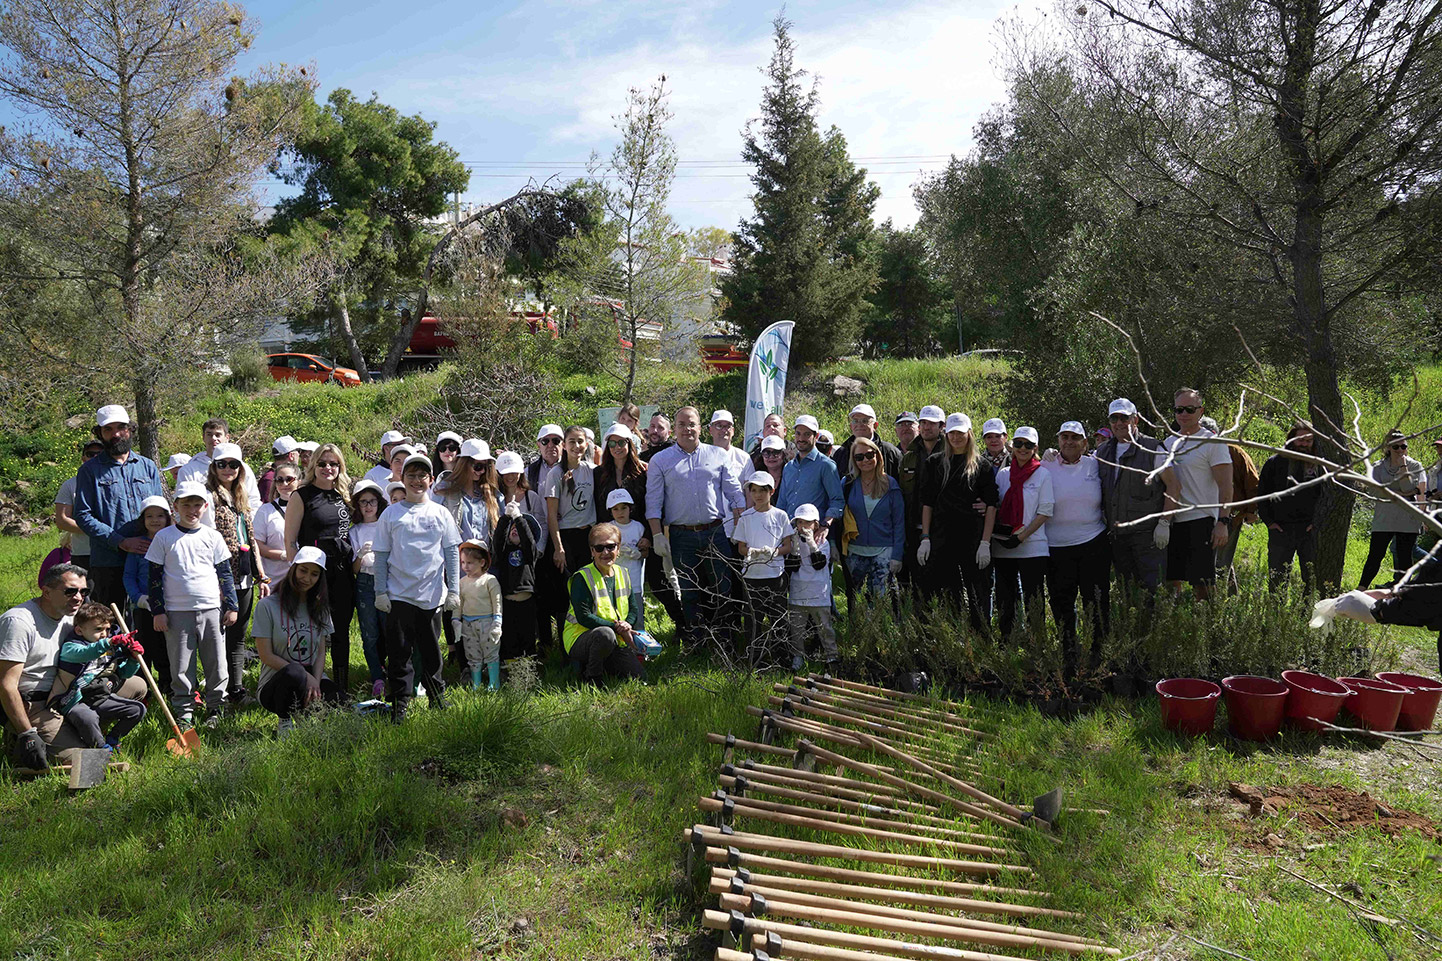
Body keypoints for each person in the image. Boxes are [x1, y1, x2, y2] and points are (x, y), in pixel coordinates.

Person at [1, 564, 123, 771]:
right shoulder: (19, 622)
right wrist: (27, 734)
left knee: (137, 685)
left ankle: (89, 730)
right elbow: (6, 685)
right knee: (82, 761)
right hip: (36, 701)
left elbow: (101, 634)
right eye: (70, 591)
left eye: (84, 592)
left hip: (69, 689)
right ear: (46, 592)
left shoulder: (71, 615)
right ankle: (19, 734)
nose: (78, 597)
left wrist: (122, 642)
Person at [645, 406, 746, 643]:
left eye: (691, 424)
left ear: (700, 428)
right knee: (689, 592)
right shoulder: (661, 460)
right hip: (681, 536)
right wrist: (657, 535)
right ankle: (697, 641)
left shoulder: (718, 455)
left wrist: (740, 527)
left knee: (722, 589)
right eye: (681, 424)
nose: (687, 429)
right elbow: (653, 502)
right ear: (675, 429)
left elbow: (736, 495)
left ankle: (724, 640)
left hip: (715, 532)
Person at [374, 453, 461, 722]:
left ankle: (436, 696)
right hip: (399, 596)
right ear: (402, 478)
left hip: (432, 597)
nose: (416, 480)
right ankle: (400, 702)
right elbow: (381, 554)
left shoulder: (440, 513)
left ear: (431, 480)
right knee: (399, 654)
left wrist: (454, 589)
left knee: (432, 651)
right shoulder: (391, 514)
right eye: (410, 475)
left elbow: (451, 553)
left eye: (422, 475)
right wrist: (380, 591)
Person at [145, 481, 238, 730]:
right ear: (175, 506)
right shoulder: (164, 537)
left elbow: (225, 574)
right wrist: (158, 611)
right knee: (181, 665)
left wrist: (232, 606)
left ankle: (216, 707)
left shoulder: (213, 536)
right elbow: (154, 577)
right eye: (186, 504)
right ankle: (184, 711)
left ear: (205, 507)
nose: (192, 509)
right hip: (176, 612)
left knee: (216, 664)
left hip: (211, 609)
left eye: (197, 504)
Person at [73, 405, 165, 609]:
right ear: (99, 433)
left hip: (147, 557)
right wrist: (120, 541)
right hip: (108, 561)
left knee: (150, 619)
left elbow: (160, 510)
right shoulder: (89, 471)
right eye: (108, 429)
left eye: (121, 427)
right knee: (110, 622)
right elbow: (83, 515)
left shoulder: (147, 466)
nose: (115, 434)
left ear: (130, 429)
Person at [283, 442, 357, 692]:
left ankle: (340, 686)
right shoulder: (301, 495)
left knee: (340, 632)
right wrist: (299, 576)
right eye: (323, 463)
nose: (328, 468)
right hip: (313, 573)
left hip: (342, 572)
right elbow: (290, 540)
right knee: (308, 628)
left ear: (340, 467)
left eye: (333, 463)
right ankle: (305, 684)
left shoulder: (344, 496)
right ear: (313, 465)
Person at [917, 414, 998, 631]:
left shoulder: (982, 465)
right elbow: (928, 503)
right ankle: (953, 644)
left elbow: (991, 505)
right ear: (946, 434)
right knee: (949, 596)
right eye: (952, 433)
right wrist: (925, 538)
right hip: (942, 540)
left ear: (969, 434)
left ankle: (981, 644)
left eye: (960, 433)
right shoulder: (934, 463)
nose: (956, 437)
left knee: (978, 595)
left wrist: (985, 543)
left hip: (973, 541)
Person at [1042, 422, 1111, 676]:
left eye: (1075, 438)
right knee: (1062, 603)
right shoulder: (1046, 464)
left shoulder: (1095, 465)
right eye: (1065, 437)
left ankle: (1098, 653)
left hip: (1093, 542)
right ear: (1058, 440)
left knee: (1096, 601)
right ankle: (1068, 652)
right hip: (1057, 547)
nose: (1069, 442)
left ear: (1085, 442)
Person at [252, 546, 343, 738]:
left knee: (339, 699)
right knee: (294, 673)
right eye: (303, 570)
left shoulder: (321, 608)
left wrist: (316, 682)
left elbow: (320, 652)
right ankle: (285, 720)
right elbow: (266, 656)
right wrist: (304, 676)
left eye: (314, 574)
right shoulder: (267, 606)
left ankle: (306, 714)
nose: (307, 578)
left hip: (310, 676)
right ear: (293, 569)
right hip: (277, 681)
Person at [206, 442, 266, 707]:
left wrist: (260, 574)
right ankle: (216, 693)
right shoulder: (209, 497)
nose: (228, 469)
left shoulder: (241, 496)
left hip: (243, 574)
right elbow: (206, 541)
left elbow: (250, 539)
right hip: (221, 577)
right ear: (214, 467)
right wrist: (217, 581)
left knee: (238, 634)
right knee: (218, 635)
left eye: (233, 465)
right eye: (222, 464)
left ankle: (237, 688)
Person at [1096, 398, 1177, 594]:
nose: (1119, 423)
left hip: (1147, 538)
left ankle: (1155, 626)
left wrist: (1165, 523)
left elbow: (1174, 486)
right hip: (1118, 537)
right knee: (1128, 594)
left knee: (1154, 593)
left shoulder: (1152, 449)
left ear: (1136, 420)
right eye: (1114, 418)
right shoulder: (1102, 451)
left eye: (1124, 418)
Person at [46, 602, 147, 753]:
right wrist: (109, 643)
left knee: (137, 709)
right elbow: (87, 653)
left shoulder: (110, 647)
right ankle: (101, 749)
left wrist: (133, 658)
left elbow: (124, 673)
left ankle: (113, 738)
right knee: (88, 718)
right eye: (98, 629)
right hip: (75, 700)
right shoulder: (72, 647)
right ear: (80, 630)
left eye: (107, 629)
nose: (104, 634)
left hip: (100, 695)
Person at [1163, 389, 1234, 598]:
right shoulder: (1168, 443)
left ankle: (1207, 627)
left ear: (1200, 411)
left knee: (1202, 584)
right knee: (1170, 581)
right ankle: (1175, 624)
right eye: (1179, 409)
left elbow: (1226, 485)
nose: (1184, 414)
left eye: (1190, 409)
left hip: (1202, 520)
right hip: (1173, 521)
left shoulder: (1211, 442)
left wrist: (1223, 522)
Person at [563, 522, 645, 683]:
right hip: (580, 637)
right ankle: (592, 677)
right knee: (604, 635)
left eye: (611, 547)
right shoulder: (582, 577)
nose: (605, 552)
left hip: (616, 637)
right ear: (592, 551)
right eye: (599, 548)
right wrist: (617, 627)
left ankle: (604, 663)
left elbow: (633, 609)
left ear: (618, 548)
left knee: (639, 677)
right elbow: (583, 616)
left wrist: (627, 625)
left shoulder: (623, 573)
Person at [993, 426, 1054, 639]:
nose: (1022, 448)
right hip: (1004, 548)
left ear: (1035, 448)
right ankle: (1007, 644)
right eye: (1018, 443)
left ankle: (1038, 646)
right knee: (1005, 601)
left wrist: (1022, 537)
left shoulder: (1042, 474)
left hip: (1032, 547)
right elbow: (997, 507)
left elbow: (1045, 511)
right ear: (1012, 446)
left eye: (1028, 445)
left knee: (1034, 601)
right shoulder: (1003, 475)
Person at [734, 471, 793, 663]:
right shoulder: (746, 517)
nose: (758, 495)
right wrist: (752, 552)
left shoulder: (780, 515)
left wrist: (774, 552)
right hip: (752, 576)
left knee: (778, 618)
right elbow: (741, 547)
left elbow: (788, 545)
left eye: (763, 491)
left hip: (775, 574)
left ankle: (781, 658)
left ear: (772, 491)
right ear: (749, 493)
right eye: (754, 491)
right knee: (753, 620)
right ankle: (755, 660)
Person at [1358, 429, 1427, 590]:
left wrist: (1403, 467)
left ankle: (1402, 594)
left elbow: (1409, 486)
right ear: (1388, 448)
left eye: (1404, 446)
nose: (1400, 450)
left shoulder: (1414, 465)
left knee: (1404, 558)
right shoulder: (1378, 467)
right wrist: (1404, 494)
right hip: (1384, 519)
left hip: (1408, 519)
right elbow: (1374, 491)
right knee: (1375, 556)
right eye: (1396, 447)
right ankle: (1360, 590)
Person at [1257, 425, 1323, 590]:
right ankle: (1275, 613)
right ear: (1291, 439)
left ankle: (1307, 613)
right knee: (1277, 579)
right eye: (1300, 439)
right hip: (1280, 529)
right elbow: (1262, 494)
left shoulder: (1319, 466)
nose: (1304, 444)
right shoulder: (1275, 462)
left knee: (1312, 578)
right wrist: (1269, 522)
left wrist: (1316, 522)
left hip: (1309, 531)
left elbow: (1325, 497)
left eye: (1308, 441)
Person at [1200, 415, 1261, 592]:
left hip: (1230, 516)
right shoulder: (1195, 452)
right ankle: (1229, 595)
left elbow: (1252, 482)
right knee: (1212, 558)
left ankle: (1219, 603)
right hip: (1203, 514)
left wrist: (1251, 511)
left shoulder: (1234, 452)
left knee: (1221, 561)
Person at [842, 436, 906, 598]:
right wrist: (835, 544)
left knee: (881, 603)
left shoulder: (891, 485)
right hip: (854, 552)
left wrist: (897, 555)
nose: (865, 460)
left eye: (870, 455)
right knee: (855, 601)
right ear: (854, 460)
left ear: (877, 455)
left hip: (884, 551)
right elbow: (838, 515)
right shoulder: (847, 484)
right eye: (859, 457)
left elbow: (899, 523)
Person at [124, 495, 175, 696]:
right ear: (142, 520)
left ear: (168, 518)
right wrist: (139, 598)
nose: (155, 520)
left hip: (170, 605)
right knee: (145, 647)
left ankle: (169, 686)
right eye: (150, 516)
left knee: (166, 647)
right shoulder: (139, 547)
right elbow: (129, 576)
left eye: (160, 516)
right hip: (144, 608)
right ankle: (144, 689)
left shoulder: (173, 541)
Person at [494, 460, 542, 662]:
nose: (516, 529)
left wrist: (520, 518)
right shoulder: (504, 551)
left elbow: (530, 542)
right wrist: (506, 519)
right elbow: (498, 540)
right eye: (512, 528)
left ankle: (528, 670)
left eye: (519, 528)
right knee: (510, 640)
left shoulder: (530, 553)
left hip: (527, 603)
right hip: (508, 602)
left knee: (528, 638)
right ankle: (510, 670)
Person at [348, 479, 388, 698]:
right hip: (364, 582)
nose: (368, 506)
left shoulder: (386, 524)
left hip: (386, 580)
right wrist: (361, 555)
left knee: (389, 627)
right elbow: (354, 569)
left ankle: (393, 669)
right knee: (369, 632)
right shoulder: (355, 532)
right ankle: (377, 676)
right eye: (363, 502)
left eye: (372, 501)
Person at [785, 504, 837, 670]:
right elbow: (791, 567)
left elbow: (819, 564)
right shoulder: (793, 540)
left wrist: (811, 544)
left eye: (807, 523)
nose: (803, 527)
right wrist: (795, 548)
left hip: (818, 594)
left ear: (815, 524)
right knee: (796, 629)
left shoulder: (823, 542)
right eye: (799, 522)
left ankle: (832, 657)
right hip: (797, 592)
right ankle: (797, 656)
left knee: (824, 628)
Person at [898, 406, 946, 586]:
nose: (926, 427)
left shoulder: (951, 452)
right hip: (913, 527)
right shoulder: (909, 456)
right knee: (917, 582)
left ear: (941, 426)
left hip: (944, 528)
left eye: (932, 423)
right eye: (923, 422)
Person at [777, 415, 844, 540]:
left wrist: (825, 525)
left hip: (814, 536)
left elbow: (837, 501)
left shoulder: (826, 465)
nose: (801, 438)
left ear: (816, 436)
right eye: (798, 433)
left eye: (807, 434)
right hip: (789, 535)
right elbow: (782, 503)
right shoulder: (788, 467)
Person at [546, 426, 597, 583]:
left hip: (588, 536)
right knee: (572, 584)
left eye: (580, 441)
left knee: (590, 584)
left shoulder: (592, 470)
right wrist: (558, 548)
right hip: (566, 536)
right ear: (564, 445)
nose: (576, 446)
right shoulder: (555, 474)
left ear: (587, 444)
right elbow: (552, 515)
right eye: (571, 441)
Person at [176, 417, 261, 508]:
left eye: (218, 435)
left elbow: (253, 500)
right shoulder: (188, 470)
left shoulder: (242, 468)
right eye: (209, 434)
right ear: (203, 437)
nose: (213, 438)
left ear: (227, 437)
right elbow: (181, 504)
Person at [456, 541, 503, 691]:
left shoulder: (489, 580)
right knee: (472, 654)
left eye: (470, 563)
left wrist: (497, 621)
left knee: (490, 652)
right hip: (468, 624)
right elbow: (459, 602)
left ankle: (494, 683)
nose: (465, 566)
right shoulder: (462, 582)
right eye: (463, 562)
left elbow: (497, 601)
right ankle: (476, 684)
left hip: (487, 622)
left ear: (482, 562)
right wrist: (456, 620)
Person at [439, 438, 500, 547]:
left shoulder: (489, 493)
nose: (482, 471)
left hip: (483, 560)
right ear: (465, 464)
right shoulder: (445, 488)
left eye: (486, 467)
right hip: (456, 558)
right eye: (478, 467)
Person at [54, 440, 104, 573]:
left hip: (112, 551)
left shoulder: (118, 481)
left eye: (100, 454)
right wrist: (97, 530)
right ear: (83, 458)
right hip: (83, 554)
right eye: (90, 454)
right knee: (83, 593)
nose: (95, 457)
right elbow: (62, 520)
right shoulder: (70, 485)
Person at [607, 490, 649, 631]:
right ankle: (621, 648)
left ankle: (640, 649)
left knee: (636, 616)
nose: (620, 512)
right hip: (615, 582)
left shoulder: (638, 527)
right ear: (610, 511)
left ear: (630, 508)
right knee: (617, 617)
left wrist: (638, 553)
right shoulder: (609, 529)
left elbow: (645, 553)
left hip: (635, 580)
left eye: (624, 507)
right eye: (615, 509)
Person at [253, 463, 298, 591]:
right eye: (279, 480)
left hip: (302, 580)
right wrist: (284, 555)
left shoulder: (309, 508)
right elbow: (257, 545)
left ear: (299, 481)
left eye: (289, 479)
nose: (284, 484)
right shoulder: (265, 511)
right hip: (275, 581)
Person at [594, 424, 649, 526]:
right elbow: (598, 507)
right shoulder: (598, 473)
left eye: (621, 442)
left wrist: (647, 536)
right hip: (609, 535)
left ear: (629, 444)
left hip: (638, 533)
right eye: (612, 443)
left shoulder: (642, 472)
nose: (617, 447)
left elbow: (647, 506)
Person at [833, 404, 902, 478]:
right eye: (855, 421)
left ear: (875, 425)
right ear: (851, 426)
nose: (859, 424)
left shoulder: (890, 452)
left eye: (865, 421)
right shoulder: (841, 453)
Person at [709, 410, 754, 479]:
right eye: (719, 426)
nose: (724, 430)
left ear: (733, 431)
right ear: (711, 430)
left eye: (727, 426)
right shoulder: (702, 457)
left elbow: (750, 487)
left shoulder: (744, 458)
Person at [257, 436, 299, 505]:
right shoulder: (269, 479)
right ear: (291, 455)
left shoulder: (269, 477)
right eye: (298, 451)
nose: (299, 454)